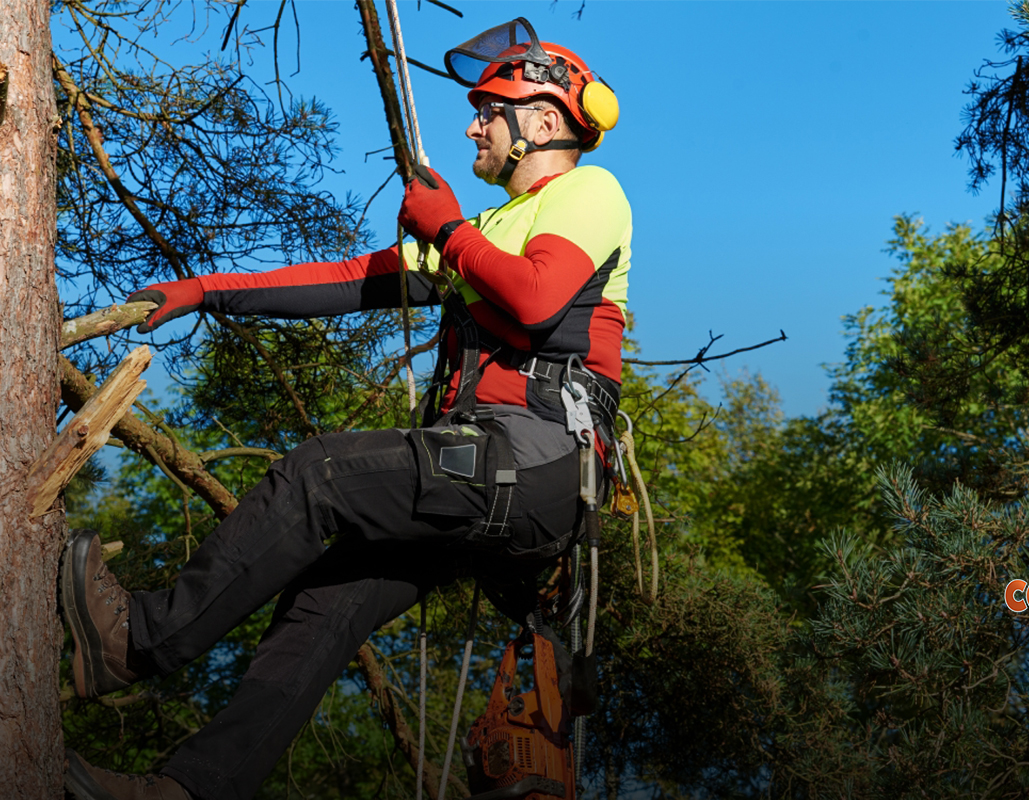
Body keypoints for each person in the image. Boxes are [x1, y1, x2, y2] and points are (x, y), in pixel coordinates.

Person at [61, 21, 628, 800]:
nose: (473, 125)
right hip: (491, 473)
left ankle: (136, 640)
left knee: (320, 473)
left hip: (534, 464)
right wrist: (203, 290)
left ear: (542, 121)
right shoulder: (491, 229)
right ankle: (189, 790)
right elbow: (349, 279)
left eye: (488, 110)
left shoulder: (589, 193)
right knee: (323, 604)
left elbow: (534, 302)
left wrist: (452, 233)